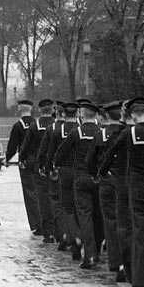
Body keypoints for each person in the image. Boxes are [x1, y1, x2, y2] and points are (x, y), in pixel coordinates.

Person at [100, 98, 144, 287]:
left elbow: (111, 151)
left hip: (137, 188)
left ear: (132, 116)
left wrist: (102, 172)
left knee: (141, 234)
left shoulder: (129, 133)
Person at [54, 102, 102, 268]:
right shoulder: (101, 132)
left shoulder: (76, 133)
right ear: (96, 115)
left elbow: (62, 152)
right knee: (98, 215)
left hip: (81, 176)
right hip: (98, 177)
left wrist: (57, 164)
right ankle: (98, 250)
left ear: (82, 114)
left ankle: (90, 254)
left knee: (85, 215)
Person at [86, 101, 124, 280]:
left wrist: (95, 175)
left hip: (107, 179)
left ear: (107, 116)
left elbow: (90, 160)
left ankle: (116, 261)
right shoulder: (127, 133)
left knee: (110, 221)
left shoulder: (101, 135)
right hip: (125, 179)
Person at [19, 99, 56, 242]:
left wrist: (22, 159)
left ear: (40, 111)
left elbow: (26, 146)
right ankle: (60, 230)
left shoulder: (35, 126)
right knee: (57, 198)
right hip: (56, 165)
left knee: (43, 198)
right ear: (52, 110)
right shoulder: (58, 125)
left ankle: (46, 230)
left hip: (40, 166)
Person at [48, 102, 82, 258]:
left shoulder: (57, 130)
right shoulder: (82, 130)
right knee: (80, 207)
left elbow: (53, 152)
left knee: (66, 207)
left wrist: (52, 167)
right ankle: (78, 235)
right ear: (77, 113)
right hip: (81, 170)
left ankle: (72, 236)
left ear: (63, 114)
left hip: (65, 171)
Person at [5, 99, 39, 234]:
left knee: (30, 193)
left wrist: (7, 159)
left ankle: (36, 223)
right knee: (41, 191)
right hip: (39, 160)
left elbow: (12, 146)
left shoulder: (18, 126)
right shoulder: (37, 124)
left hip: (26, 161)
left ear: (19, 110)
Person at [38, 103, 67, 247]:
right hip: (73, 171)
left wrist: (44, 167)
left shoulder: (52, 129)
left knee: (55, 202)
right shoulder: (76, 128)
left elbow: (45, 151)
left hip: (56, 170)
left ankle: (57, 233)